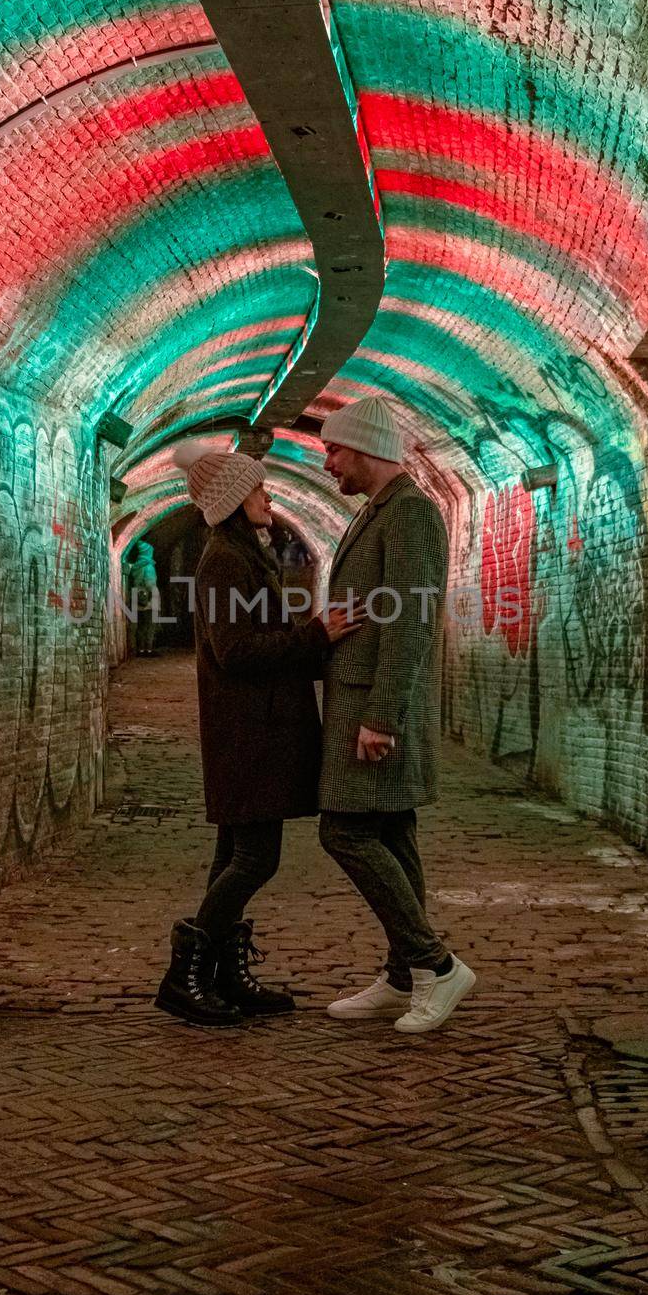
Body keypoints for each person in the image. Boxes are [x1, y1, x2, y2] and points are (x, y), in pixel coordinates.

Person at [155, 441, 358, 1027]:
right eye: (259, 489)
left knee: (234, 856)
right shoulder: (224, 558)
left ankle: (218, 973)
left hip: (256, 728)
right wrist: (315, 637)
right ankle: (184, 976)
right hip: (248, 733)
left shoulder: (246, 552)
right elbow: (235, 651)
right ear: (234, 498)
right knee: (254, 859)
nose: (268, 497)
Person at [318, 395, 476, 1034]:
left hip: (376, 708)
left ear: (365, 448)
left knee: (345, 833)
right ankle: (402, 974)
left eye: (333, 449)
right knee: (389, 832)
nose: (327, 463)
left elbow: (409, 623)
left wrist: (381, 716)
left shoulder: (410, 512)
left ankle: (436, 967)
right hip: (361, 700)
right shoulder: (380, 510)